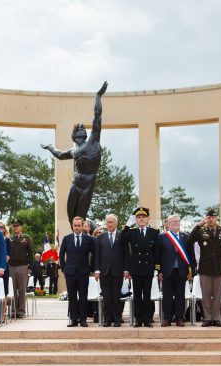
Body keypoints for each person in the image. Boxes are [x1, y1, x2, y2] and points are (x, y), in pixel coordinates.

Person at [41, 81, 108, 222]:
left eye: (82, 132)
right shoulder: (74, 150)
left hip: (88, 184)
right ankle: (74, 238)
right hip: (76, 184)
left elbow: (97, 116)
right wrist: (50, 147)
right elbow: (60, 155)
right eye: (77, 133)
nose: (80, 134)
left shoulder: (93, 141)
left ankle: (83, 237)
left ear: (84, 135)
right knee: (70, 213)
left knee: (80, 216)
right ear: (74, 136)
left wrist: (98, 96)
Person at [189, 209, 221, 327]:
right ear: (206, 219)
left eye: (213, 217)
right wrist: (198, 225)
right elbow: (190, 240)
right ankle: (207, 318)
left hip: (219, 267)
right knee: (206, 294)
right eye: (208, 217)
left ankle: (216, 318)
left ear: (216, 218)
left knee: (217, 294)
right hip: (205, 266)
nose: (211, 219)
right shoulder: (201, 231)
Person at [120, 207, 159, 328]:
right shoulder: (131, 232)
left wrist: (157, 268)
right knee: (137, 295)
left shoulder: (154, 232)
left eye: (143, 217)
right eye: (138, 217)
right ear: (136, 219)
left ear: (148, 219)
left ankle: (147, 319)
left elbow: (156, 251)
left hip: (148, 268)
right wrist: (127, 225)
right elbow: (121, 241)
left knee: (147, 295)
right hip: (136, 268)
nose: (141, 219)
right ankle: (138, 319)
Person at [155, 215, 194, 327]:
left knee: (180, 296)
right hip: (167, 271)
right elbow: (157, 256)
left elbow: (191, 255)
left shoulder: (186, 236)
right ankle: (167, 318)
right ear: (168, 224)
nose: (176, 223)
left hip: (181, 271)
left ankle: (179, 318)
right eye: (173, 222)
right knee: (167, 296)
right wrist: (159, 271)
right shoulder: (162, 237)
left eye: (177, 221)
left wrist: (191, 271)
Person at [59, 216, 95, 327]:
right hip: (70, 272)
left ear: (82, 225)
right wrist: (64, 269)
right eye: (75, 225)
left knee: (83, 296)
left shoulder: (88, 239)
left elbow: (94, 254)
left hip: (84, 272)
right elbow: (61, 255)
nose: (77, 227)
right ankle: (73, 319)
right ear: (72, 226)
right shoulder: (67, 238)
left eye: (79, 225)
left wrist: (91, 268)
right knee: (72, 297)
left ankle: (83, 319)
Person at [94, 214, 125, 327]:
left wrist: (126, 269)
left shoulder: (122, 235)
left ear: (116, 223)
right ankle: (107, 320)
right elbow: (97, 255)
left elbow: (126, 254)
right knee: (107, 298)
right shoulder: (100, 237)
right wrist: (97, 270)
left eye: (112, 222)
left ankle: (117, 319)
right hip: (104, 272)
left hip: (118, 271)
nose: (110, 224)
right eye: (108, 222)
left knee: (116, 297)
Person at [8, 218, 34, 319]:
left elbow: (31, 253)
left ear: (21, 227)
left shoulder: (26, 238)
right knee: (12, 290)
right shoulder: (9, 238)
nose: (15, 228)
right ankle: (14, 310)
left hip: (23, 266)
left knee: (22, 290)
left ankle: (21, 311)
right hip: (11, 267)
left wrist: (30, 268)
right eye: (14, 226)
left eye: (17, 226)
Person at [0, 221, 12, 308]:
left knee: (4, 290)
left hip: (4, 268)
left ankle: (3, 312)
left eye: (1, 227)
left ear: (4, 229)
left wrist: (0, 266)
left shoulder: (7, 240)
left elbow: (8, 256)